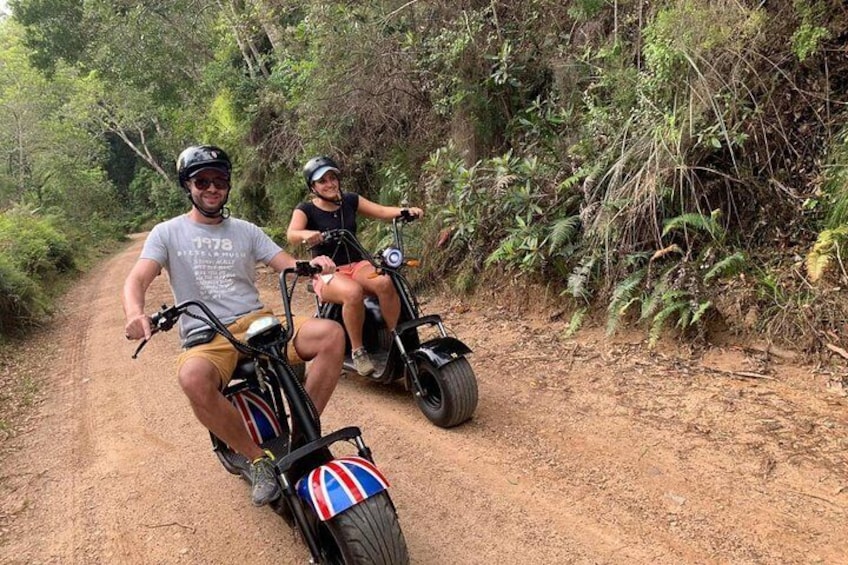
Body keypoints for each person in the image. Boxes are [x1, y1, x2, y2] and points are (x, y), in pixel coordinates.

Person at [122, 145, 345, 507]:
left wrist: (312, 264)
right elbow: (137, 279)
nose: (212, 188)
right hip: (206, 335)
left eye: (219, 180)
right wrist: (135, 312)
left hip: (257, 321)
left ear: (228, 185)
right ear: (188, 186)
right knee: (193, 378)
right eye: (202, 181)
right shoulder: (167, 233)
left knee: (331, 335)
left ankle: (303, 437)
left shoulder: (246, 231)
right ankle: (257, 460)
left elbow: (286, 263)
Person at [286, 156, 424, 377]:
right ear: (313, 187)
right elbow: (292, 234)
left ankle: (397, 340)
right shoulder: (306, 209)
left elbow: (380, 211)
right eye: (323, 181)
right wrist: (307, 234)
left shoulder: (349, 200)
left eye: (333, 178)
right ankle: (358, 351)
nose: (330, 184)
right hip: (327, 272)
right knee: (353, 293)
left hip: (357, 265)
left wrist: (405, 211)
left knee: (385, 281)